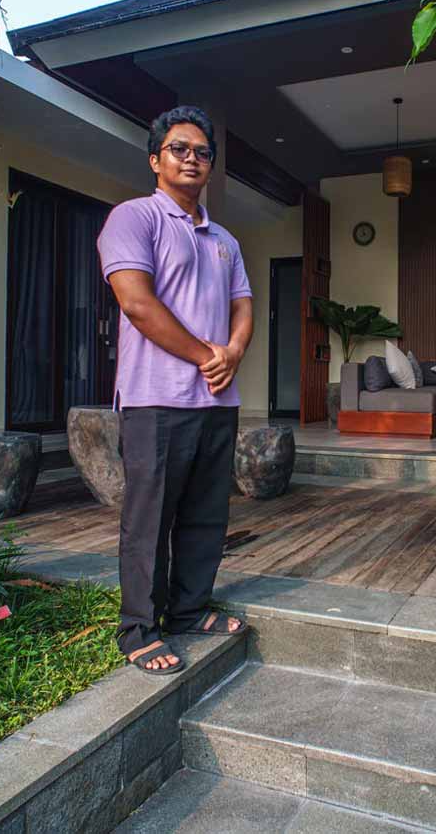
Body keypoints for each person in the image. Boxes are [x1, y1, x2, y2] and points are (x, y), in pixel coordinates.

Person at [97, 106, 253, 674]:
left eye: (202, 152)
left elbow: (243, 305)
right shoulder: (134, 218)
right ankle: (138, 628)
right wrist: (207, 355)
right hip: (154, 400)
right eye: (178, 149)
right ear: (155, 160)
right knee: (149, 518)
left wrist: (232, 352)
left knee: (206, 515)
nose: (191, 159)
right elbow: (136, 303)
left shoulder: (225, 239)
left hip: (217, 399)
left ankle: (189, 610)